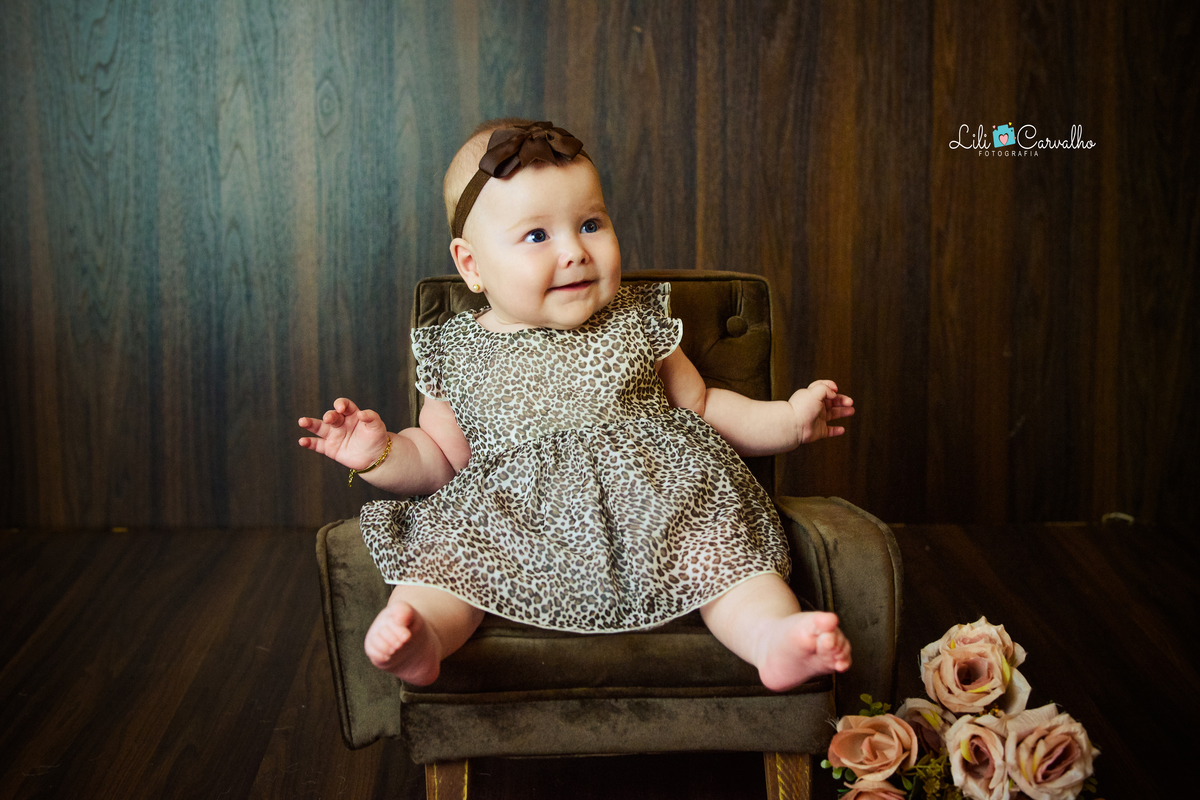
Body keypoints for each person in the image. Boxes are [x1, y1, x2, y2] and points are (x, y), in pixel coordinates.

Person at [298, 119, 855, 693]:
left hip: (663, 502)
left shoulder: (637, 320)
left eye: (590, 224)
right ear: (472, 265)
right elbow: (441, 460)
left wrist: (790, 418)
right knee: (451, 556)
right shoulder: (458, 350)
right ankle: (423, 636)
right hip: (514, 519)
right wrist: (379, 453)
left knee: (722, 553)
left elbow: (705, 405)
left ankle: (775, 638)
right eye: (537, 236)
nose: (574, 253)